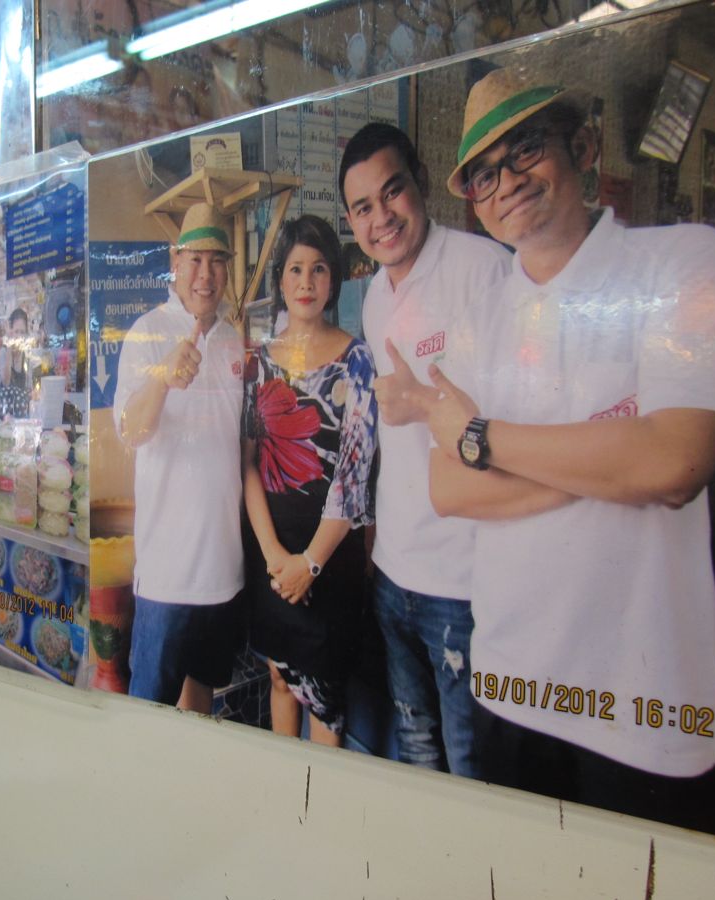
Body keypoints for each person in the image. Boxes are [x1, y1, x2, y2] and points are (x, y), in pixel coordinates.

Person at [414, 67, 715, 829]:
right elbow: (449, 490)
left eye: (525, 149)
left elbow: (674, 464)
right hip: (509, 687)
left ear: (584, 147)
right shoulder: (482, 317)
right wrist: (610, 462)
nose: (505, 180)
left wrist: (483, 440)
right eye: (481, 173)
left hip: (644, 712)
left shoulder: (682, 263)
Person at [340, 122, 510, 775]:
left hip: (463, 583)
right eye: (363, 208)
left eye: (393, 193)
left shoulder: (484, 271)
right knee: (415, 747)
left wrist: (433, 409)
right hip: (393, 571)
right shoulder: (375, 298)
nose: (382, 218)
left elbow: (517, 422)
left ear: (421, 182)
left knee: (473, 763)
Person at [242, 215, 378, 746]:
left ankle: (320, 813)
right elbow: (247, 463)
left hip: (331, 555)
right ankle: (283, 805)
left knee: (324, 696)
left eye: (318, 269)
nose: (306, 282)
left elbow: (354, 472)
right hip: (273, 551)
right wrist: (275, 554)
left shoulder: (357, 361)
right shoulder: (259, 362)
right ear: (280, 280)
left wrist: (310, 564)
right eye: (295, 269)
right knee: (279, 678)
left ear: (334, 281)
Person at [113, 202, 246, 713]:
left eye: (217, 261)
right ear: (175, 260)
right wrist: (162, 378)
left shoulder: (236, 342)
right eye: (195, 260)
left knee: (201, 705)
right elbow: (131, 431)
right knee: (147, 718)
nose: (206, 275)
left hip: (222, 570)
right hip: (166, 576)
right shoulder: (147, 332)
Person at [0, 308, 34, 419]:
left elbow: (29, 388)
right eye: (16, 331)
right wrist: (9, 346)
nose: (19, 336)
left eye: (22, 332)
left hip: (21, 417)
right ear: (10, 331)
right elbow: (6, 382)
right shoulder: (3, 352)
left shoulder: (26, 356)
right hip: (4, 417)